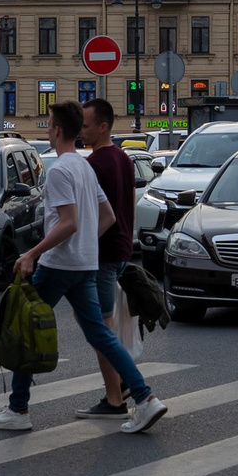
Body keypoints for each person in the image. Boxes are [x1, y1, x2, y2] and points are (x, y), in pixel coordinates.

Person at [0, 101, 167, 433]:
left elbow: (67, 223)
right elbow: (107, 216)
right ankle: (145, 399)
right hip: (84, 263)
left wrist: (31, 254)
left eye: (49, 121)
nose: (49, 126)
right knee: (100, 333)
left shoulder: (60, 170)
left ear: (55, 130)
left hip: (60, 264)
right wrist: (86, 245)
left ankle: (18, 410)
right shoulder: (83, 166)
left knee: (23, 325)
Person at [80, 97, 141, 413]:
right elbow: (128, 205)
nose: (81, 130)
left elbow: (95, 216)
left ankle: (115, 397)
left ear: (103, 127)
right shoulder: (123, 158)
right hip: (120, 250)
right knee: (105, 326)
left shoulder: (94, 165)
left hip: (102, 254)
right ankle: (120, 383)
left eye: (86, 125)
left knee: (101, 330)